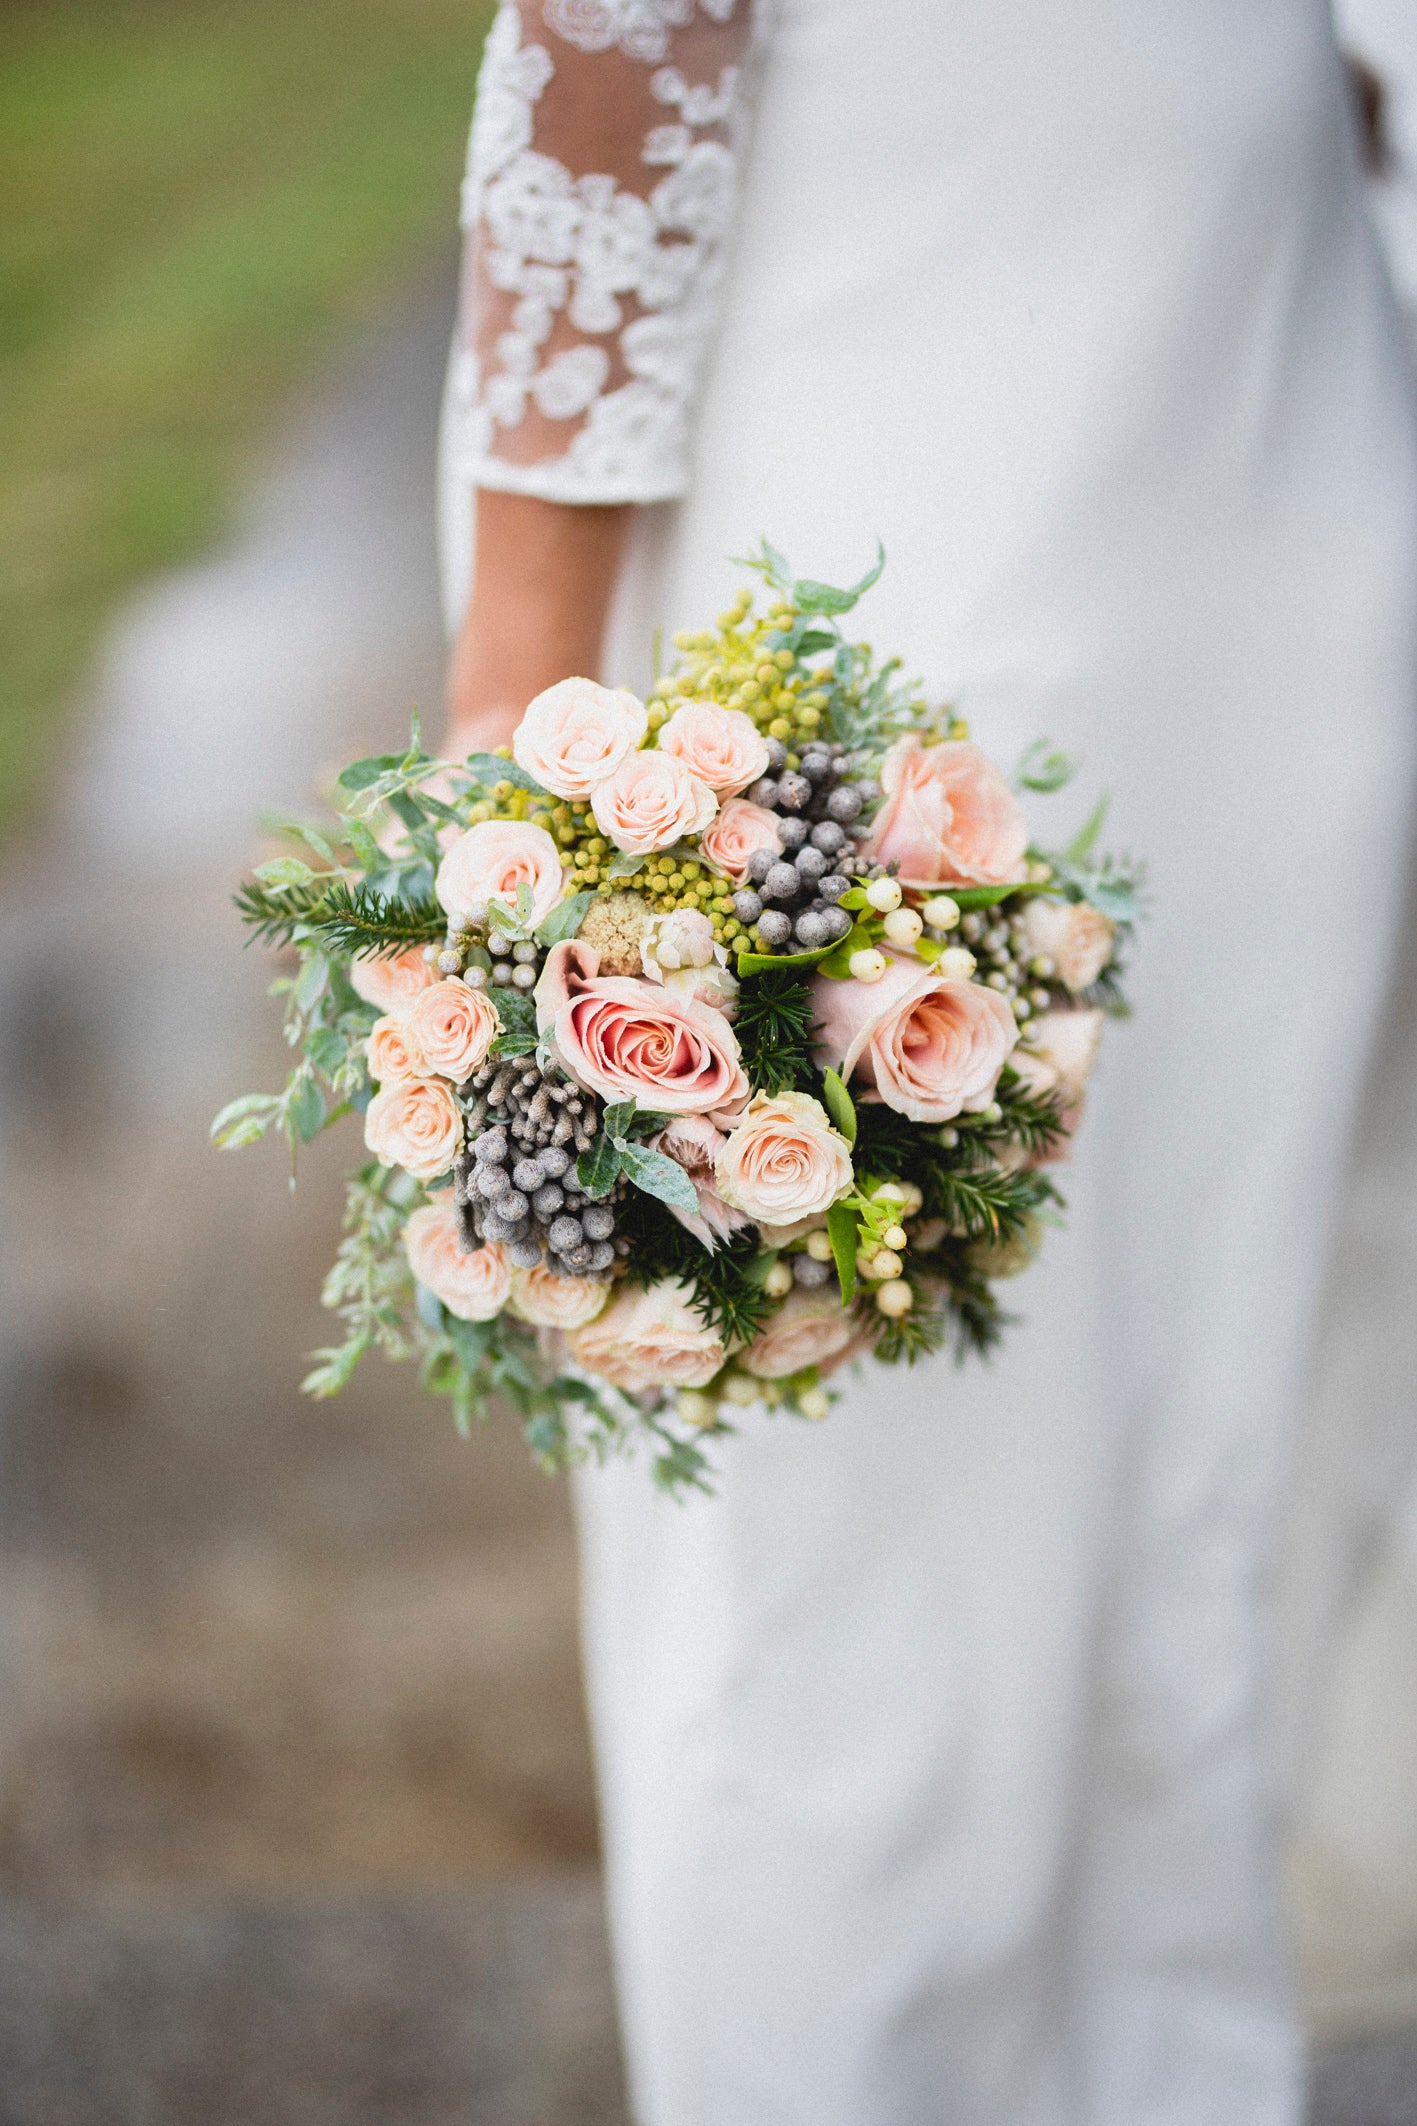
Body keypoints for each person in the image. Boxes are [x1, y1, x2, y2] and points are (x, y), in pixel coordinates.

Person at [437, 5, 1417, 2121]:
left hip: (1266, 449)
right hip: (905, 494)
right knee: (856, 1561)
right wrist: (519, 682)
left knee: (1197, 1473)